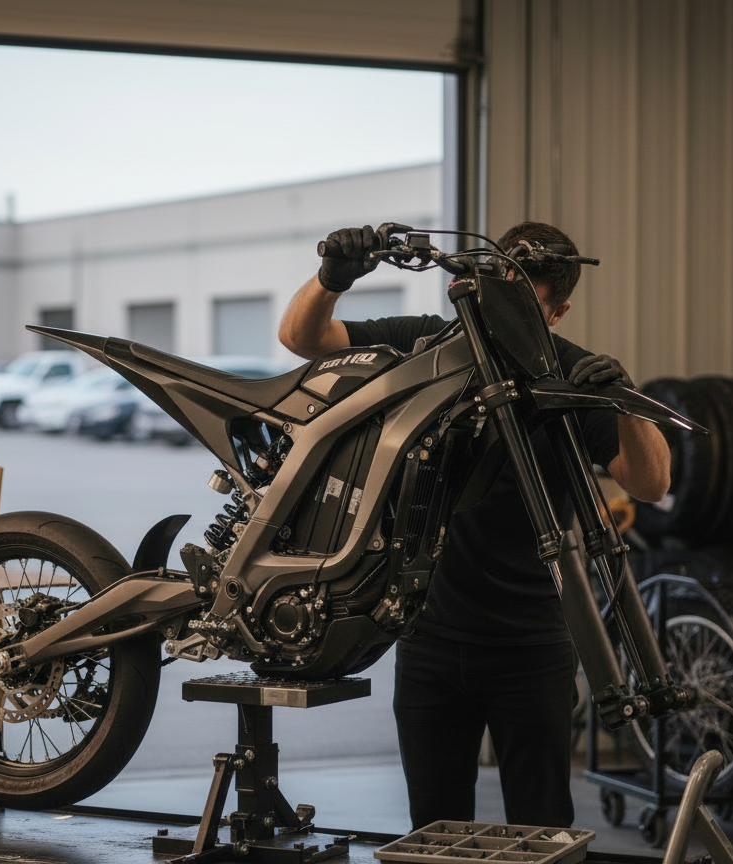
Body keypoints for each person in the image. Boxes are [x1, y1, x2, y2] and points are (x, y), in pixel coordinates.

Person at [278, 221, 670, 830]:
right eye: (493, 293)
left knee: (542, 828)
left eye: (524, 304)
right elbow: (303, 338)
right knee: (434, 829)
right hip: (428, 638)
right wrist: (332, 279)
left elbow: (651, 483)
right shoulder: (422, 349)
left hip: (532, 645)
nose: (497, 314)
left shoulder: (571, 377)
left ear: (558, 311)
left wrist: (623, 403)